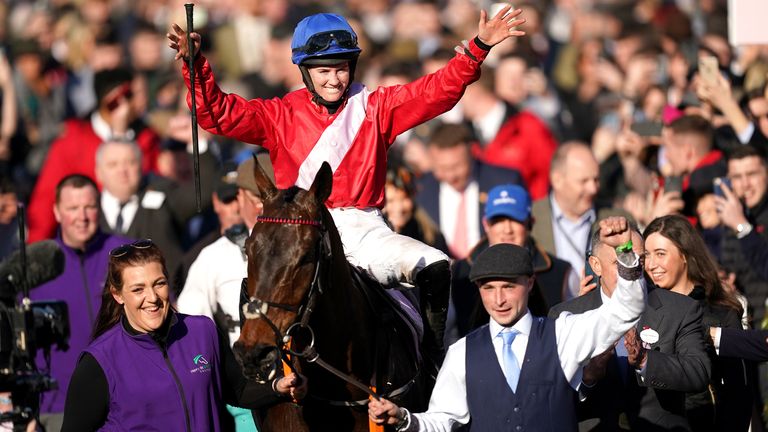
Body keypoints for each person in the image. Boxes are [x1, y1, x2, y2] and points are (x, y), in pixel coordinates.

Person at [168, 6, 527, 358]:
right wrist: (194, 65)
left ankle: (433, 364)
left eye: (341, 69)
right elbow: (218, 114)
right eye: (324, 71)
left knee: (435, 266)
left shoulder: (375, 106)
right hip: (302, 231)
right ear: (305, 72)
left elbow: (436, 92)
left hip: (365, 228)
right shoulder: (279, 115)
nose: (334, 80)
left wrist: (478, 48)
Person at [368, 217, 647, 431]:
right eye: (488, 288)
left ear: (530, 283)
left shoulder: (563, 333)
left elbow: (627, 308)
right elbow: (442, 420)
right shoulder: (462, 353)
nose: (498, 299)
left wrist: (624, 250)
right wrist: (405, 419)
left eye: (508, 286)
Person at [61, 240, 306, 431]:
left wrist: (277, 387)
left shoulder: (202, 331)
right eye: (138, 289)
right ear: (118, 295)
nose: (153, 298)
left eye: (159, 283)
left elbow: (238, 390)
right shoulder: (99, 361)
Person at [550, 217, 712, 431]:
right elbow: (547, 396)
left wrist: (646, 361)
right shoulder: (565, 315)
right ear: (596, 266)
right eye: (620, 263)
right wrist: (587, 378)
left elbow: (698, 372)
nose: (632, 271)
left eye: (638, 261)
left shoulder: (680, 309)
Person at [28, 174, 133, 431]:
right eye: (73, 208)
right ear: (56, 211)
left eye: (89, 207)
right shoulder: (34, 265)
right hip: (56, 408)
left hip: (122, 402)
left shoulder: (125, 254)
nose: (82, 216)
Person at [27, 68, 160, 242]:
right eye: (131, 95)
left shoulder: (146, 137)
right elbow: (46, 199)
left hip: (139, 236)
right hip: (87, 241)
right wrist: (35, 249)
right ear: (113, 100)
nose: (141, 101)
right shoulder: (73, 140)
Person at [644, 214, 749, 431]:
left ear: (685, 255)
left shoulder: (721, 314)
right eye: (646, 255)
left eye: (660, 254)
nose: (651, 264)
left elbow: (738, 394)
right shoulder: (639, 309)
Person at [448, 183, 578, 345]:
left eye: (515, 219)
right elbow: (449, 334)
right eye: (498, 220)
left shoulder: (561, 272)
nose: (507, 230)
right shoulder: (459, 272)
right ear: (485, 224)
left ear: (530, 223)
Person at [414, 122, 524, 259]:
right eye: (442, 168)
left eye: (457, 167)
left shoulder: (503, 182)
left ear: (471, 154)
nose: (451, 176)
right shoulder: (420, 190)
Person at [531, 141, 619, 287]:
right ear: (557, 180)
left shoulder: (616, 219)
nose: (593, 189)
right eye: (583, 181)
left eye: (596, 179)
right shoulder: (531, 220)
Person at [715, 145, 768, 326]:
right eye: (737, 177)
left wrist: (742, 227)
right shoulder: (728, 218)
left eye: (752, 174)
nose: (745, 184)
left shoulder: (736, 220)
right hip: (744, 329)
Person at [383, 162, 448, 255]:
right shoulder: (367, 240)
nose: (399, 208)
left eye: (404, 198)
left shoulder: (432, 239)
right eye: (390, 201)